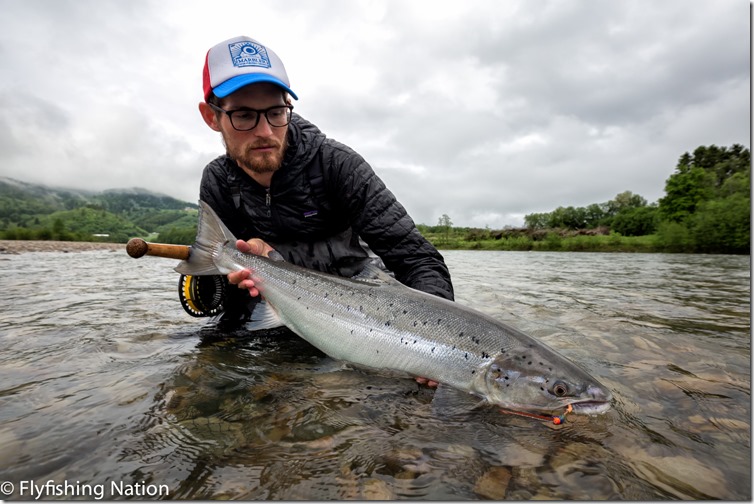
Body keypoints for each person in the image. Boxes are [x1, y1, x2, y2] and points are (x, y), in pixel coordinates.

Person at [196, 35, 454, 327]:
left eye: (276, 113)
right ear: (212, 117)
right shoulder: (218, 181)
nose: (266, 132)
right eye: (244, 116)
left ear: (288, 105)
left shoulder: (337, 164)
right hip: (278, 308)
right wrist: (231, 277)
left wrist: (435, 339)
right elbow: (220, 286)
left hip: (363, 314)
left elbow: (419, 261)